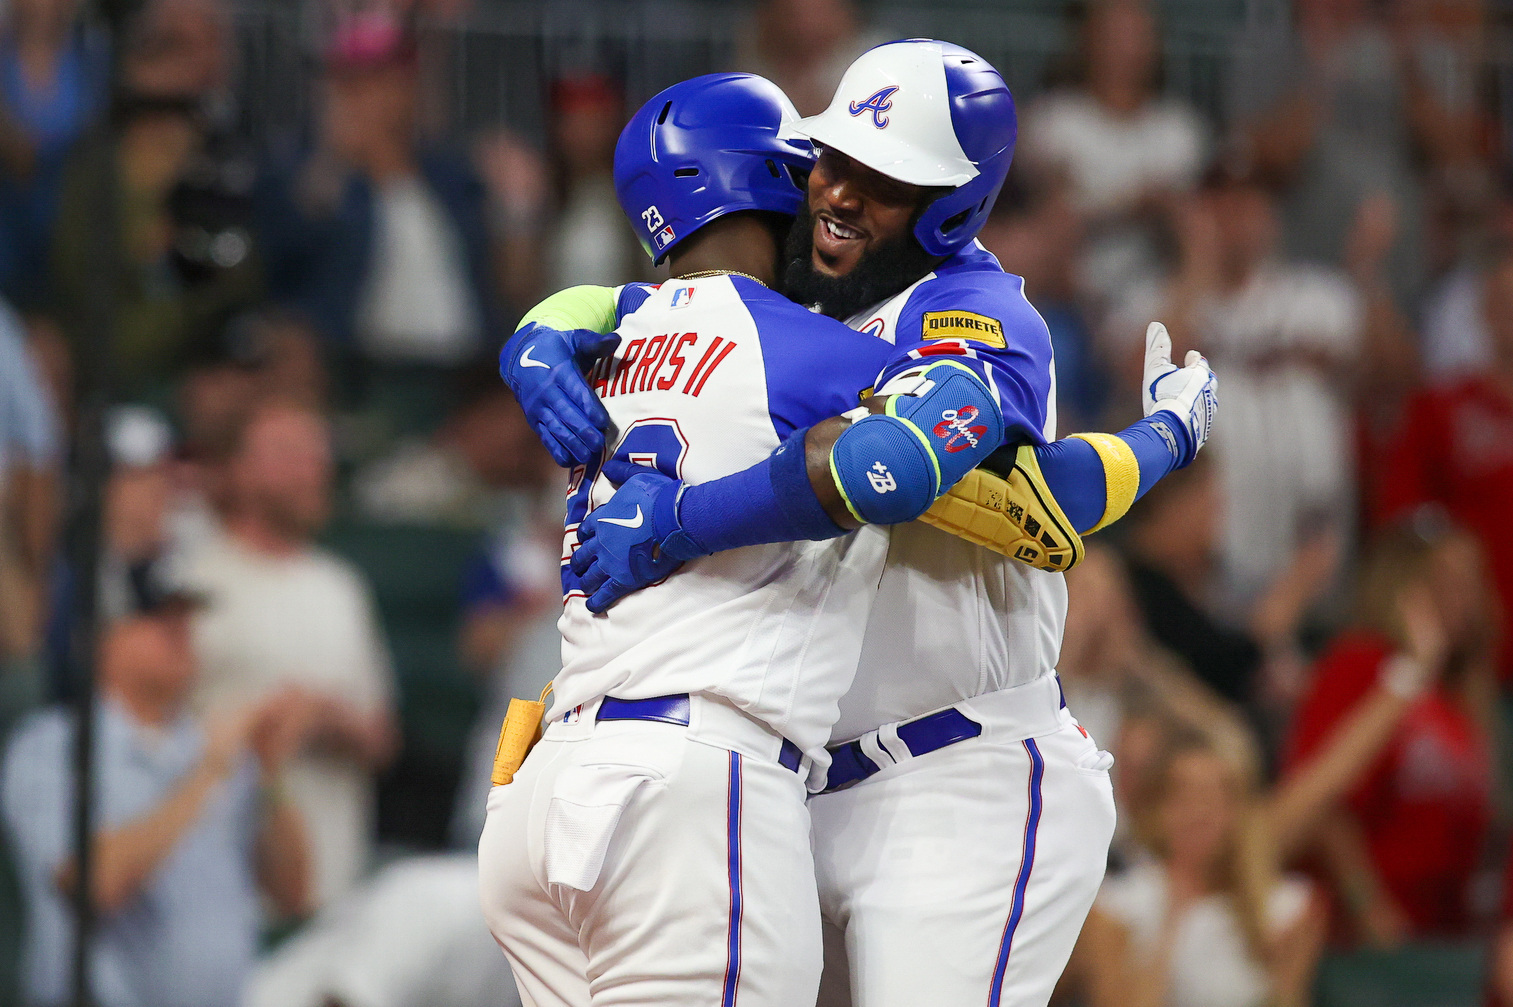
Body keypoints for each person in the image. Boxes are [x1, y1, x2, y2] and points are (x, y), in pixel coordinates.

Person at [498, 41, 1219, 1007]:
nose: (838, 191)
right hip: (795, 789)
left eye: (884, 182)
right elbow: (656, 292)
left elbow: (1015, 495)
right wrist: (540, 330)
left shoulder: (973, 308)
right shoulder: (800, 296)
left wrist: (1167, 432)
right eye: (832, 158)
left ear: (953, 205)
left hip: (959, 777)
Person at [1, 566, 312, 1007]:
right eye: (159, 618)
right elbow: (94, 884)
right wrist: (207, 773)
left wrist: (269, 773)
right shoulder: (52, 746)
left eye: (186, 619)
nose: (181, 633)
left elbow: (293, 891)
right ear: (101, 639)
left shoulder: (209, 744)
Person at [177, 399, 397, 907]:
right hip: (219, 886)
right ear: (235, 468)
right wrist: (264, 724)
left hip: (335, 883)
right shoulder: (191, 583)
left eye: (318, 454)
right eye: (290, 452)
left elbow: (382, 738)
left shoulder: (340, 586)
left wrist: (327, 719)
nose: (312, 468)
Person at [1283, 516, 1497, 943]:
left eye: (1471, 583)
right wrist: (1370, 907)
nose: (1464, 599)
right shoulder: (1362, 664)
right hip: (1356, 936)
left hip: (1439, 933)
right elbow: (1324, 800)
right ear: (1404, 584)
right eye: (1446, 580)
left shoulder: (1459, 695)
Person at [1071, 730, 1325, 1007]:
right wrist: (1173, 917)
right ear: (1155, 810)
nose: (1199, 813)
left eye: (1216, 798)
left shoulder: (1287, 909)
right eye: (1184, 797)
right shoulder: (1116, 908)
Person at [1373, 246, 1513, 682]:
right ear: (1485, 311)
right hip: (1469, 660)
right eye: (1505, 300)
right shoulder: (1440, 410)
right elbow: (1403, 531)